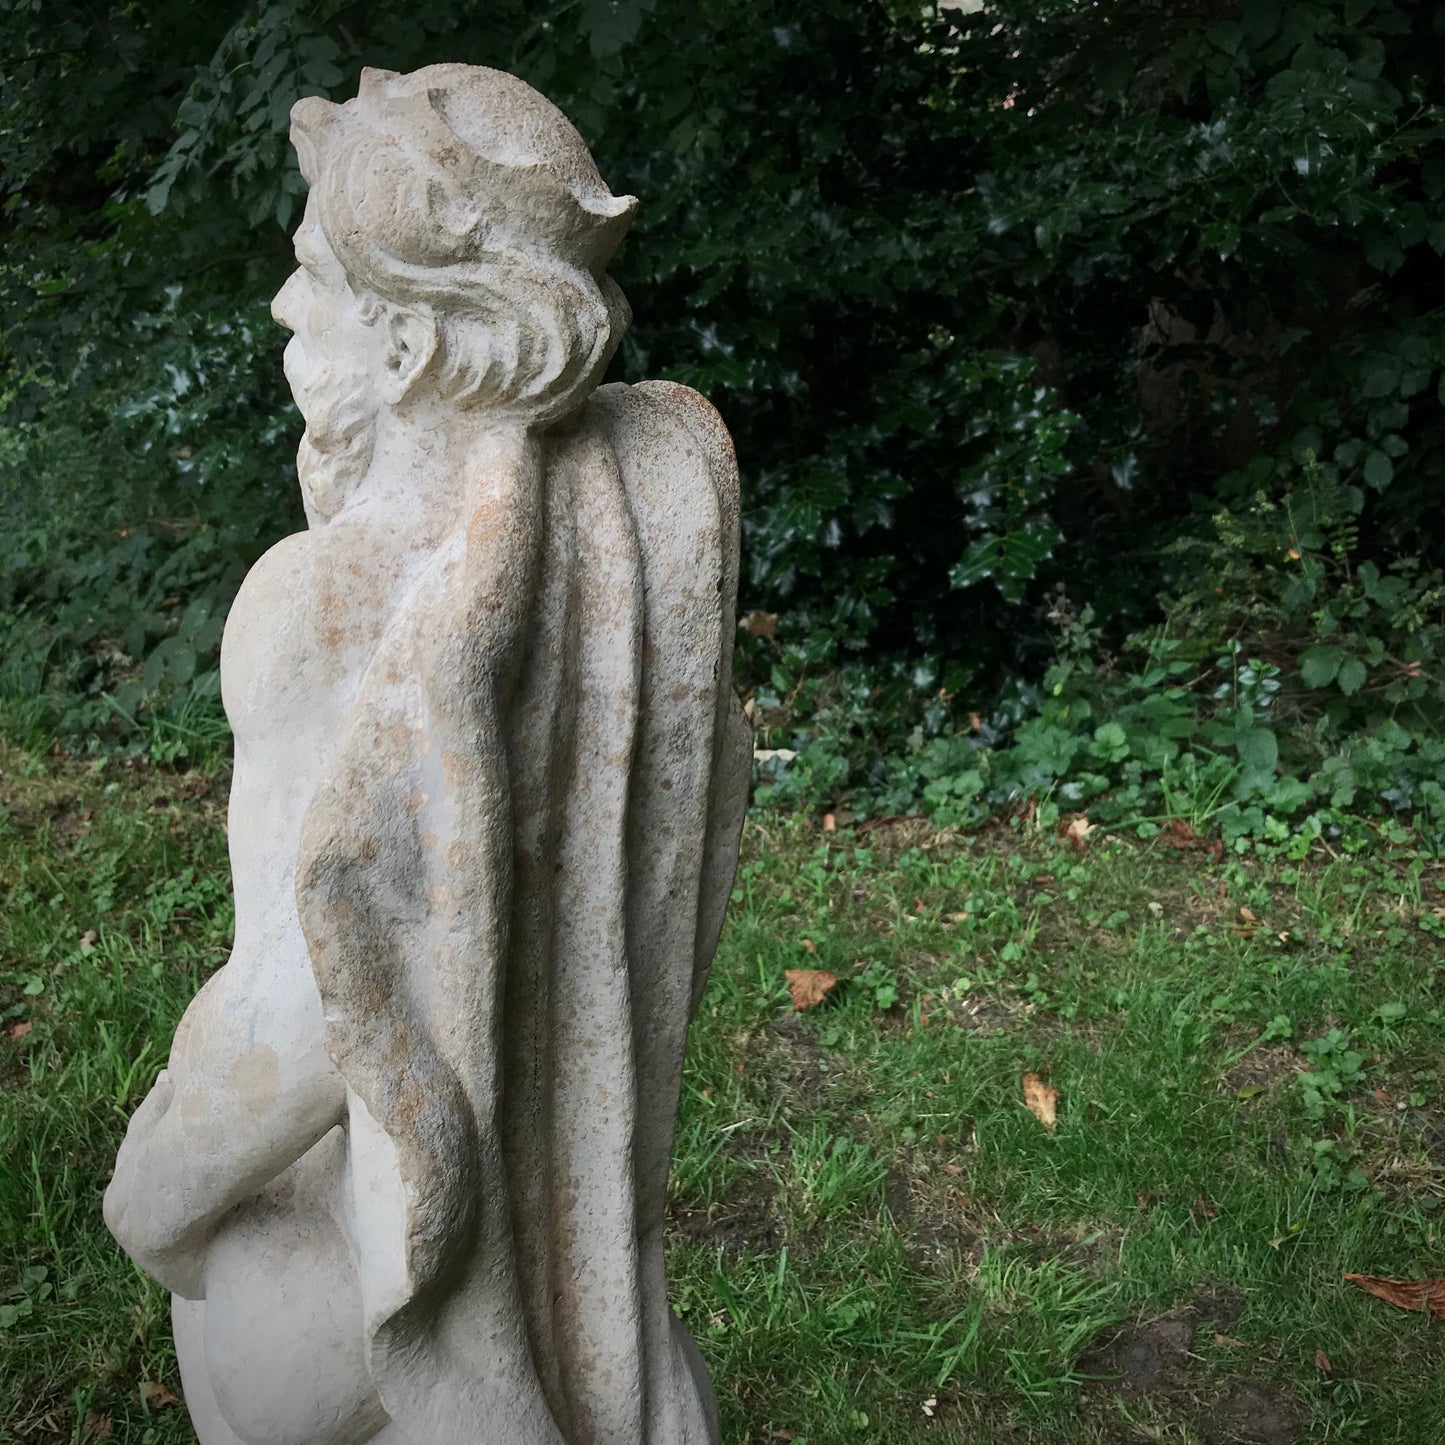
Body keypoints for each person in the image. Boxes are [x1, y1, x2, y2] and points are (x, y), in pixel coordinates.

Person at [105, 64, 749, 1445]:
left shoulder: (322, 602)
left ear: (401, 346)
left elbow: (307, 1015)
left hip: (357, 1327)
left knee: (224, 1268)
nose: (283, 310)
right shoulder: (637, 557)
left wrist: (155, 1196)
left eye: (311, 279)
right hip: (602, 1337)